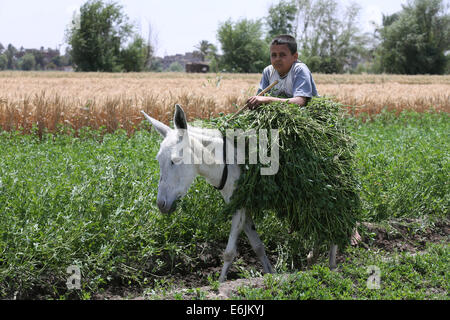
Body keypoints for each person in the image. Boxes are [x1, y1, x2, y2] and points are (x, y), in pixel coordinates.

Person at [246, 34, 318, 110]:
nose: (277, 59)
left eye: (282, 55)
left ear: (295, 57)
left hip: (306, 114)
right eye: (274, 55)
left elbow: (300, 101)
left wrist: (268, 100)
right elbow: (260, 98)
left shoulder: (299, 70)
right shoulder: (268, 72)